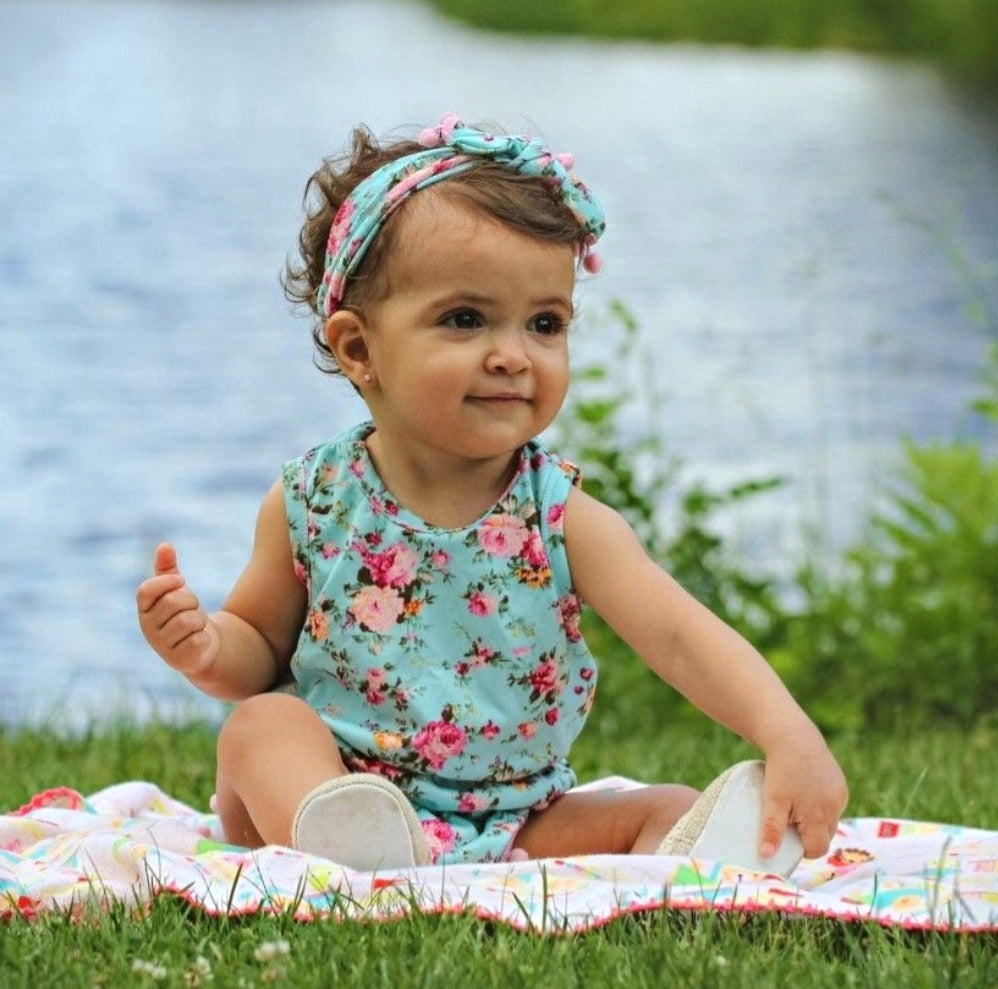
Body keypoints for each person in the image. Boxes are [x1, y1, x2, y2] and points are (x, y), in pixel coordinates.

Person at [137, 112, 848, 873]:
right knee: (262, 723)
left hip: (514, 824)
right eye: (466, 318)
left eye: (545, 322)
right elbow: (257, 648)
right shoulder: (316, 500)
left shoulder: (562, 518)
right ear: (359, 347)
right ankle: (346, 843)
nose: (513, 355)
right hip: (330, 784)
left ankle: (712, 855)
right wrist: (207, 647)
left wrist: (787, 732)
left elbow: (678, 635)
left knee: (664, 804)